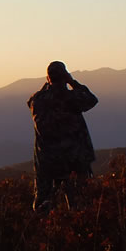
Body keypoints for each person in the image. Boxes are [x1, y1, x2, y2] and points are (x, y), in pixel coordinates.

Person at [27, 61, 98, 211]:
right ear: (64, 76)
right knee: (78, 201)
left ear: (48, 78)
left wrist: (48, 86)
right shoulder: (71, 98)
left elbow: (31, 101)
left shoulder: (38, 100)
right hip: (74, 158)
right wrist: (72, 82)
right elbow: (91, 100)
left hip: (47, 160)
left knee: (43, 200)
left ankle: (41, 228)